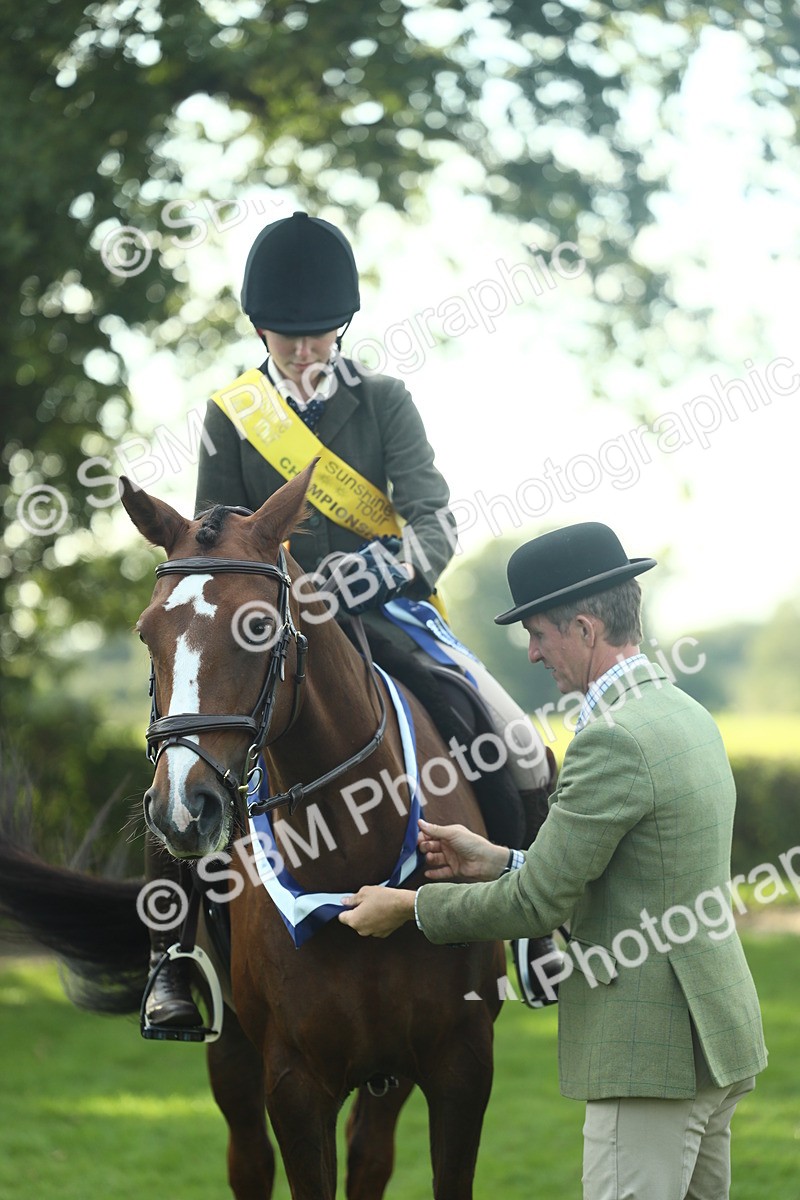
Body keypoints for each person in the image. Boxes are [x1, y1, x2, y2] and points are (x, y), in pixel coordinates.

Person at [142, 211, 555, 1029]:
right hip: (265, 630)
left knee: (517, 743)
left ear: (344, 326)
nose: (303, 351)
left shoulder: (387, 402)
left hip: (385, 611)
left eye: (319, 335)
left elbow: (433, 519)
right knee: (176, 749)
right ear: (260, 327)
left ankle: (537, 931)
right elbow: (209, 534)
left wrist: (364, 572)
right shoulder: (232, 412)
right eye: (287, 336)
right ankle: (170, 959)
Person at [338, 521, 767, 1200]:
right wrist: (504, 857)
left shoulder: (612, 740)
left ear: (587, 630)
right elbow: (631, 872)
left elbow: (540, 905)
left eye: (538, 633)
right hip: (715, 1038)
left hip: (650, 1058)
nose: (533, 654)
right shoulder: (683, 714)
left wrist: (412, 907)